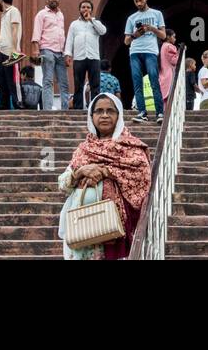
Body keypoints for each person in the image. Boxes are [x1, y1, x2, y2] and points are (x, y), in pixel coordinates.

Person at [56, 93, 153, 260]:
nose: (105, 115)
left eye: (110, 111)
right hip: (81, 229)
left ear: (119, 115)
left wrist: (107, 172)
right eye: (99, 111)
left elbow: (142, 176)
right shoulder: (84, 149)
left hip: (113, 230)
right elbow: (62, 184)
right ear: (91, 116)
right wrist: (80, 172)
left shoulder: (131, 147)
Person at [123, 0, 165, 123]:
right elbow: (126, 41)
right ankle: (142, 112)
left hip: (150, 51)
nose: (139, 4)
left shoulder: (157, 14)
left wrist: (151, 28)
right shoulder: (131, 18)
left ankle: (160, 113)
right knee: (137, 82)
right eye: (136, 2)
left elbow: (163, 35)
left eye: (141, 0)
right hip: (135, 51)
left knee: (153, 79)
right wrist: (135, 35)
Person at [32, 0, 70, 112]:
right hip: (46, 49)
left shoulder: (61, 14)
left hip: (60, 52)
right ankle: (47, 110)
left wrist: (66, 53)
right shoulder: (41, 14)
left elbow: (62, 34)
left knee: (64, 83)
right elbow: (36, 33)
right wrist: (36, 51)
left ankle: (65, 110)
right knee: (48, 81)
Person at [64, 0, 106, 110]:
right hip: (79, 57)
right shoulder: (74, 24)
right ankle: (78, 107)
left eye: (88, 7)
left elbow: (103, 31)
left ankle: (95, 108)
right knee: (78, 84)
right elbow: (70, 40)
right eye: (83, 7)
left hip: (94, 57)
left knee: (95, 85)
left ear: (91, 10)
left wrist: (91, 20)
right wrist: (68, 54)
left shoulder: (95, 23)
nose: (85, 9)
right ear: (79, 9)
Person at [0, 0, 23, 111]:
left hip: (11, 52)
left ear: (1, 0)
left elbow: (15, 30)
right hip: (2, 51)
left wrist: (15, 50)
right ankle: (4, 105)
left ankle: (18, 103)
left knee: (13, 80)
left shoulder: (14, 11)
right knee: (0, 78)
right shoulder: (4, 14)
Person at [158, 28, 180, 103]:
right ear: (168, 37)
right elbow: (175, 61)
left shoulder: (162, 46)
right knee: (170, 100)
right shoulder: (169, 46)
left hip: (162, 75)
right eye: (174, 36)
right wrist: (180, 54)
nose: (175, 39)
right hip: (169, 76)